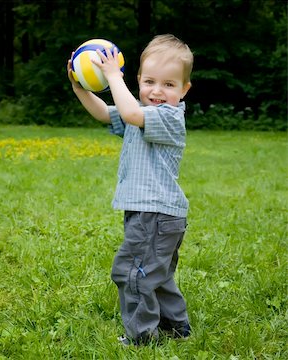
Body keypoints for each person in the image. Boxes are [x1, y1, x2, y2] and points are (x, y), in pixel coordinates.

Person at [67, 34, 193, 346]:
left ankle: (141, 337)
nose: (157, 91)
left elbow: (130, 114)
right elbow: (105, 112)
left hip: (155, 215)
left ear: (184, 89)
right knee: (156, 276)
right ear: (138, 81)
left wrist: (112, 77)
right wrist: (79, 86)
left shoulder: (168, 117)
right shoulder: (138, 111)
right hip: (154, 214)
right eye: (150, 81)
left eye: (169, 84)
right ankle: (176, 328)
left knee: (131, 273)